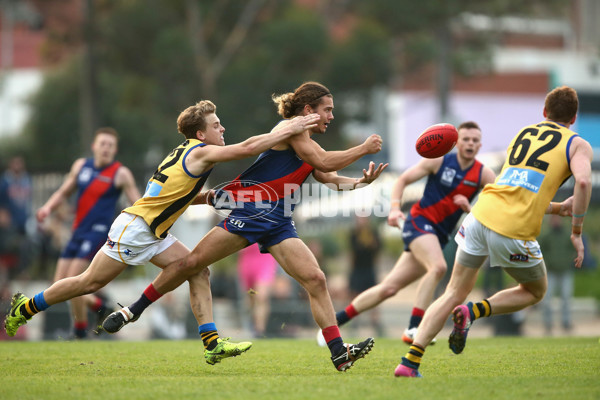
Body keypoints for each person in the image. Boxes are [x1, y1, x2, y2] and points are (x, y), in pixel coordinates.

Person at [5, 100, 319, 365]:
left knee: (197, 270)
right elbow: (249, 148)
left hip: (152, 230)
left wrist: (206, 197)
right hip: (137, 229)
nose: (222, 129)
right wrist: (288, 128)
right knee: (90, 282)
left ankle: (212, 345)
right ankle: (28, 306)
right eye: (216, 125)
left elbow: (172, 195)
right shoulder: (200, 151)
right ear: (201, 133)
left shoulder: (188, 150)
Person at [102, 81, 388, 372]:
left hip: (279, 221)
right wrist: (364, 148)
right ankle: (132, 310)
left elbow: (328, 176)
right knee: (192, 264)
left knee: (316, 279)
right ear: (307, 110)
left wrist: (359, 182)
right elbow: (324, 161)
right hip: (252, 212)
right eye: (327, 110)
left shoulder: (308, 144)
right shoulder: (289, 129)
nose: (331, 116)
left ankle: (339, 351)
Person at [395, 85, 593, 378]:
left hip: (479, 215)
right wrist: (576, 231)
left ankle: (409, 363)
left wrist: (556, 208)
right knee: (535, 291)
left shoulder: (523, 134)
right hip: (512, 229)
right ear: (573, 118)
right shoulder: (577, 144)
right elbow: (585, 183)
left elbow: (515, 191)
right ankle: (473, 312)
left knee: (452, 292)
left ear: (544, 113)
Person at [328, 122, 495, 345]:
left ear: (480, 145)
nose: (470, 144)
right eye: (466, 139)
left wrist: (470, 209)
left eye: (475, 140)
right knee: (438, 267)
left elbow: (499, 204)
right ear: (456, 143)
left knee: (389, 288)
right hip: (419, 222)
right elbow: (403, 180)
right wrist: (395, 208)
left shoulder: (484, 173)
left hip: (437, 236)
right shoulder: (439, 160)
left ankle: (333, 323)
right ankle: (414, 328)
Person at [34, 127, 141, 339]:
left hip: (98, 233)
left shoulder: (120, 173)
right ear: (94, 146)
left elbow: (138, 203)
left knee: (73, 279)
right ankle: (100, 306)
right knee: (59, 286)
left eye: (110, 145)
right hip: (77, 232)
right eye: (102, 144)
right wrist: (47, 208)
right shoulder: (81, 167)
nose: (106, 149)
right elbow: (63, 192)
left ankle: (80, 331)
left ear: (115, 149)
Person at [538, 214, 575, 335]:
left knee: (566, 297)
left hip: (565, 271)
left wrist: (569, 260)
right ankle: (548, 324)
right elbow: (539, 251)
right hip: (551, 272)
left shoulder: (567, 236)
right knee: (547, 299)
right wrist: (548, 262)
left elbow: (573, 249)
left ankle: (566, 323)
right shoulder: (546, 236)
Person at [237, 243, 277, 337]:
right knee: (250, 298)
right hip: (247, 261)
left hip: (265, 259)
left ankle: (259, 330)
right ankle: (252, 323)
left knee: (261, 296)